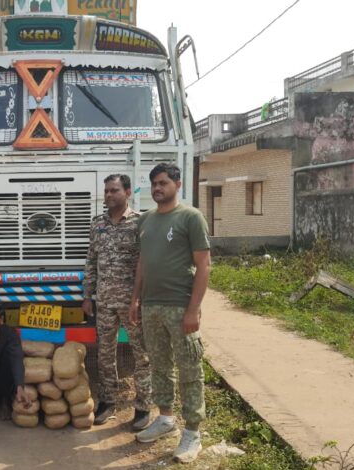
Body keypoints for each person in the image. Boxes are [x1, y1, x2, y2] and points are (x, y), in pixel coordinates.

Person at [129, 163, 210, 463]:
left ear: (177, 184)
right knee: (159, 366)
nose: (157, 188)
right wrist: (136, 299)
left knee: (190, 369)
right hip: (151, 306)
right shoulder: (146, 220)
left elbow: (204, 265)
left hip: (180, 305)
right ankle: (165, 418)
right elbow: (142, 262)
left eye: (163, 183)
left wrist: (193, 310)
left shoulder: (190, 217)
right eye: (154, 184)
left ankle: (192, 432)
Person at [82, 174, 152, 430]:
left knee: (141, 354)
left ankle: (143, 406)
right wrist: (87, 295)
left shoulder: (139, 222)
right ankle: (108, 401)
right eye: (107, 191)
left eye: (114, 190)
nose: (109, 195)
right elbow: (92, 260)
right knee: (104, 353)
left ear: (128, 192)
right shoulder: (97, 223)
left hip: (131, 303)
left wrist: (138, 298)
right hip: (104, 301)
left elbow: (146, 263)